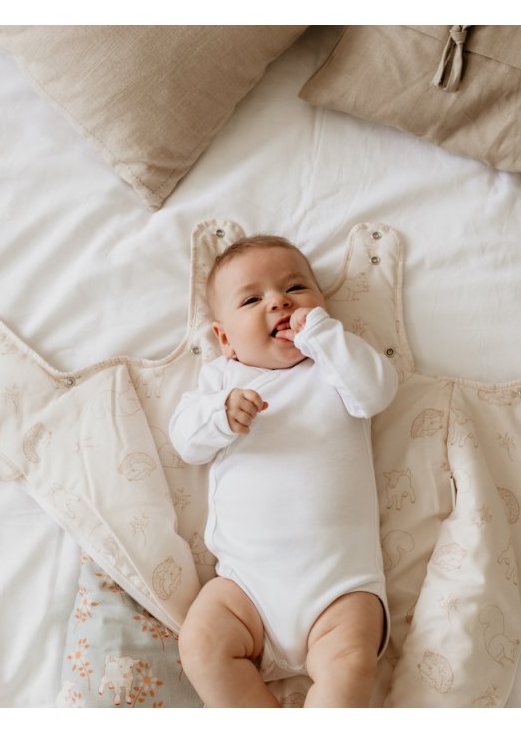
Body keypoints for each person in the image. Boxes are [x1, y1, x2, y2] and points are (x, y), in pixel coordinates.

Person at [168, 234, 398, 707]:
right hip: (247, 588)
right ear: (225, 339)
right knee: (201, 644)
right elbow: (185, 442)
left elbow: (377, 391)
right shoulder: (223, 380)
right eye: (252, 300)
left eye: (295, 288)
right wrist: (220, 413)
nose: (278, 302)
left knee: (350, 663)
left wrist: (324, 336)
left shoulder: (335, 366)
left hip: (339, 587)